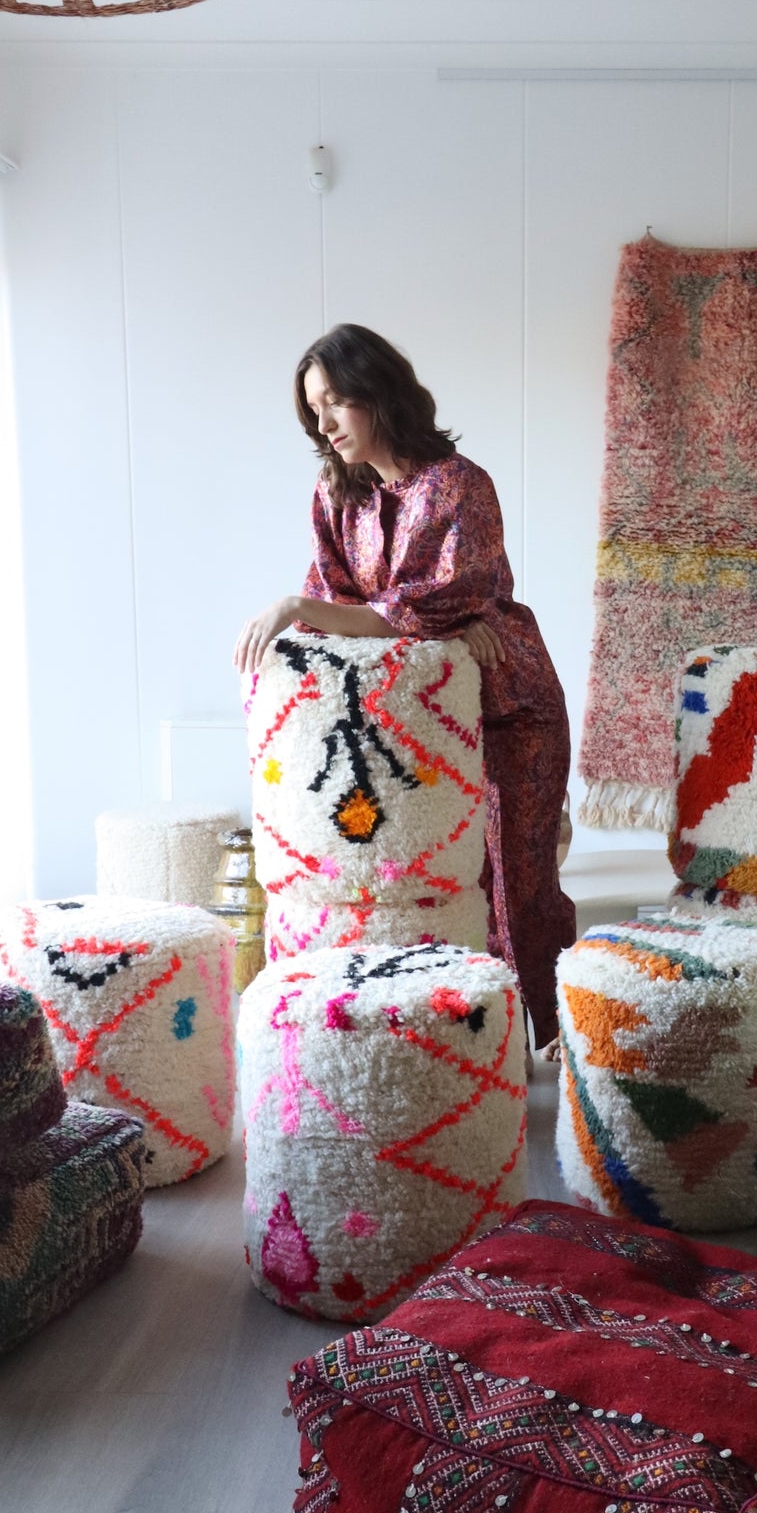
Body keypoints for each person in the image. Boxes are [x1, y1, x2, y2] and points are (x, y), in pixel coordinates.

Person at [233, 323, 576, 1051]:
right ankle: (439, 1036)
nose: (323, 424)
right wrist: (398, 627)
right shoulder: (334, 495)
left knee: (515, 882)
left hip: (509, 698)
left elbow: (437, 601)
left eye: (335, 402)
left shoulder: (459, 485)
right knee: (422, 880)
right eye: (312, 410)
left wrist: (310, 611)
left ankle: (534, 1039)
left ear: (379, 393)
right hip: (408, 712)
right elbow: (344, 607)